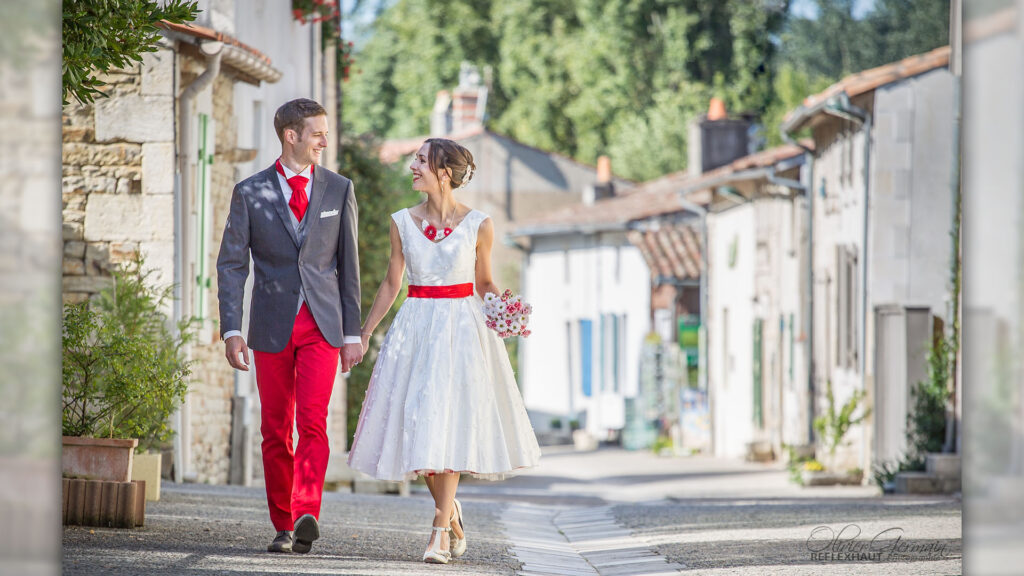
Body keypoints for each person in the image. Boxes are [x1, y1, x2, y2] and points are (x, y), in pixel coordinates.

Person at [347, 138, 541, 564]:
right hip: (415, 326)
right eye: (415, 159)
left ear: (445, 173)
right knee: (419, 421)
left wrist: (506, 312)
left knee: (447, 422)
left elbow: (485, 282)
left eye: (421, 160)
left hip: (462, 330)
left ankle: (437, 531)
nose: (412, 167)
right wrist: (363, 334)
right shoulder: (400, 221)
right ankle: (450, 511)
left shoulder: (480, 224)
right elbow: (391, 283)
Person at [216, 98, 363, 554]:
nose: (324, 139)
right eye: (316, 132)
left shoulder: (339, 189)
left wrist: (353, 332)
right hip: (271, 323)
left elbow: (349, 265)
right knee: (275, 427)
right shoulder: (250, 191)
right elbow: (232, 265)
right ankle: (282, 524)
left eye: (325, 131)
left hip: (322, 324)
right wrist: (231, 329)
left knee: (313, 422)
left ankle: (305, 512)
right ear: (291, 135)